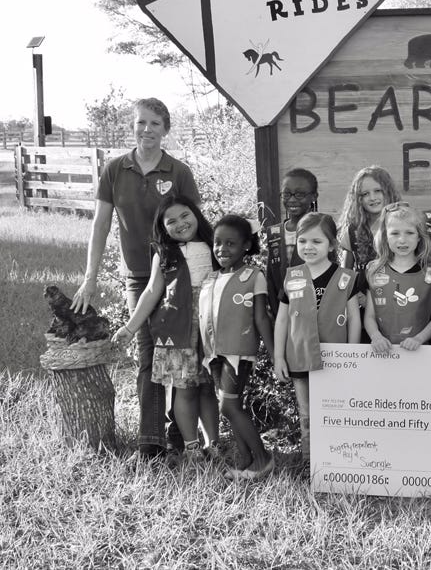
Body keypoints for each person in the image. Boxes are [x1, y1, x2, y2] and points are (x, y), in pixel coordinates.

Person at [74, 97, 201, 461]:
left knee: (177, 351)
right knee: (148, 353)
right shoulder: (115, 170)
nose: (146, 130)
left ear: (166, 130)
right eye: (140, 123)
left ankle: (181, 434)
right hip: (137, 277)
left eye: (155, 124)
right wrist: (90, 277)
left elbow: (193, 225)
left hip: (176, 275)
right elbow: (100, 225)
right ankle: (151, 442)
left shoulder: (178, 172)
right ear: (133, 126)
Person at [112, 195, 220, 462]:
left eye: (185, 216)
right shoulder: (164, 253)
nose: (180, 224)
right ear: (162, 228)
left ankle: (214, 444)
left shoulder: (213, 245)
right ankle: (192, 447)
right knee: (184, 389)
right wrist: (129, 327)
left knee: (208, 388)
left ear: (196, 214)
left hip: (211, 327)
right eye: (171, 221)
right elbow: (150, 292)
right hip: (175, 331)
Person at [273, 213, 361, 465]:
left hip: (336, 358)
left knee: (337, 411)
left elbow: (354, 317)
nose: (308, 247)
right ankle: (310, 464)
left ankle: (338, 463)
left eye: (317, 242)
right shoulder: (292, 276)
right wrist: (279, 356)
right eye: (302, 241)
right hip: (300, 356)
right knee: (307, 413)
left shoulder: (345, 277)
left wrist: (352, 355)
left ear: (332, 245)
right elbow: (282, 319)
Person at [199, 215, 276, 480]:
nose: (222, 249)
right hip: (214, 354)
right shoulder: (211, 279)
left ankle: (263, 459)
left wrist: (275, 354)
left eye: (231, 243)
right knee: (233, 405)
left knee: (228, 406)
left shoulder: (253, 276)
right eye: (217, 243)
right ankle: (245, 458)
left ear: (246, 245)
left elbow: (261, 318)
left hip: (238, 352)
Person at [363, 203, 431, 353]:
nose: (402, 240)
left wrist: (419, 339)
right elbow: (369, 316)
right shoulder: (374, 271)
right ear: (386, 236)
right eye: (395, 233)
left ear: (419, 236)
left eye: (409, 233)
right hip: (383, 351)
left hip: (421, 351)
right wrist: (376, 336)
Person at [265, 168, 318, 312]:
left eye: (300, 194)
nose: (292, 199)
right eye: (287, 194)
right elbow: (270, 275)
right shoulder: (274, 233)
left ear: (314, 196)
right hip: (281, 310)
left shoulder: (321, 230)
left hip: (312, 308)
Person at [337, 166, 401, 273]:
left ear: (389, 192)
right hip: (361, 289)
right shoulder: (352, 232)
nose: (372, 198)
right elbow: (345, 274)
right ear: (358, 199)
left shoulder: (404, 226)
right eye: (365, 194)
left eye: (377, 191)